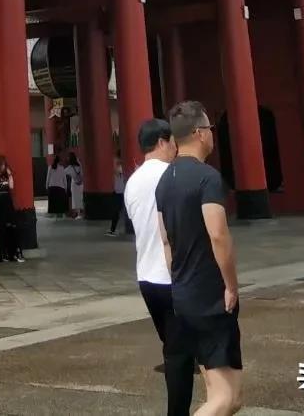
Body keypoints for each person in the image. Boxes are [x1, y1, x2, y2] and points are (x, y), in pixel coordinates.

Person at [157, 101, 242, 416]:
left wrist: (179, 279)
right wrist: (231, 285)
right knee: (224, 399)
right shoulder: (208, 178)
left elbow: (165, 240)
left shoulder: (165, 181)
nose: (211, 135)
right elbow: (218, 234)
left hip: (184, 294)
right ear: (198, 133)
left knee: (229, 397)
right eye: (209, 129)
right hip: (211, 295)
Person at [123, 117, 178, 388]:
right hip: (174, 274)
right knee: (188, 352)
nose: (175, 149)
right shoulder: (171, 175)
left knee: (172, 344)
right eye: (172, 142)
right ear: (161, 142)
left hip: (146, 275)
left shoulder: (132, 182)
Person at [0, 155, 24, 263]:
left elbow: (11, 186)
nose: (3, 167)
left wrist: (10, 175)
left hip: (7, 202)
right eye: (2, 165)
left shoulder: (5, 175)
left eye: (4, 165)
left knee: (12, 226)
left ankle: (13, 252)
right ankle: (1, 254)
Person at [108, 157, 127, 235]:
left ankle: (113, 230)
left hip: (120, 194)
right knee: (116, 212)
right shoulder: (120, 169)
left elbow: (116, 171)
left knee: (116, 212)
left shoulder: (120, 169)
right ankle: (113, 229)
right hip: (119, 193)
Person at [66, 151, 85, 218]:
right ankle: (81, 212)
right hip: (81, 184)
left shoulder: (69, 168)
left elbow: (64, 172)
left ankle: (76, 213)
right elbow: (83, 174)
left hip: (74, 184)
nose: (67, 158)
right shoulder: (79, 165)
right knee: (80, 198)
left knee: (75, 199)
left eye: (68, 157)